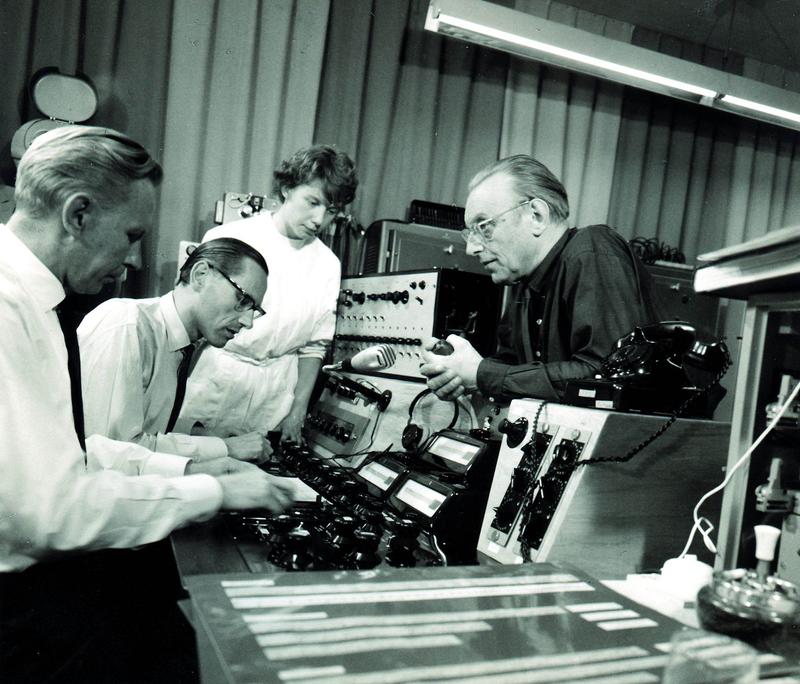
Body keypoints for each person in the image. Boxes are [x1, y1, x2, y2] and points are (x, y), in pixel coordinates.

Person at [0, 125, 294, 683]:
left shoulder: (31, 302)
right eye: (131, 233)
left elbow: (81, 459)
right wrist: (214, 487)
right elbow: (48, 513)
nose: (134, 256)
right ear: (78, 214)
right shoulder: (11, 304)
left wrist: (208, 469)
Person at [420, 154, 664, 402]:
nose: (472, 248)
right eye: (470, 233)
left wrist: (482, 374)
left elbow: (607, 375)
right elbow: (511, 366)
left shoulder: (591, 250)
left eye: (484, 226)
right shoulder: (523, 279)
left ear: (536, 215)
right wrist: (458, 371)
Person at [178, 145, 358, 443]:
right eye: (312, 202)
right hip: (215, 382)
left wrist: (298, 410)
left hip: (275, 397)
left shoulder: (328, 264)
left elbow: (314, 347)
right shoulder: (230, 238)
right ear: (287, 188)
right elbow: (188, 324)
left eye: (331, 211)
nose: (319, 220)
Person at [78, 237, 274, 470]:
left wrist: (202, 433)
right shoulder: (127, 325)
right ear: (200, 275)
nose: (248, 321)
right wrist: (225, 448)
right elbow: (112, 454)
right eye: (242, 300)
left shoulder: (182, 344)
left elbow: (145, 425)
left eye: (254, 310)